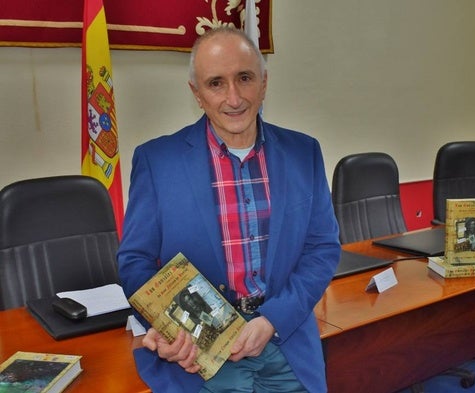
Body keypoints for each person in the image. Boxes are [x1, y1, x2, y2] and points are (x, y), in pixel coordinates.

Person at [117, 26, 341, 393]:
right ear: (197, 93)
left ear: (264, 83)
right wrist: (172, 328)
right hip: (200, 355)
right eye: (216, 83)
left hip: (285, 339)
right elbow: (135, 261)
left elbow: (322, 249)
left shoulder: (304, 153)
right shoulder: (158, 161)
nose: (234, 98)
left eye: (245, 78)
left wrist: (272, 319)